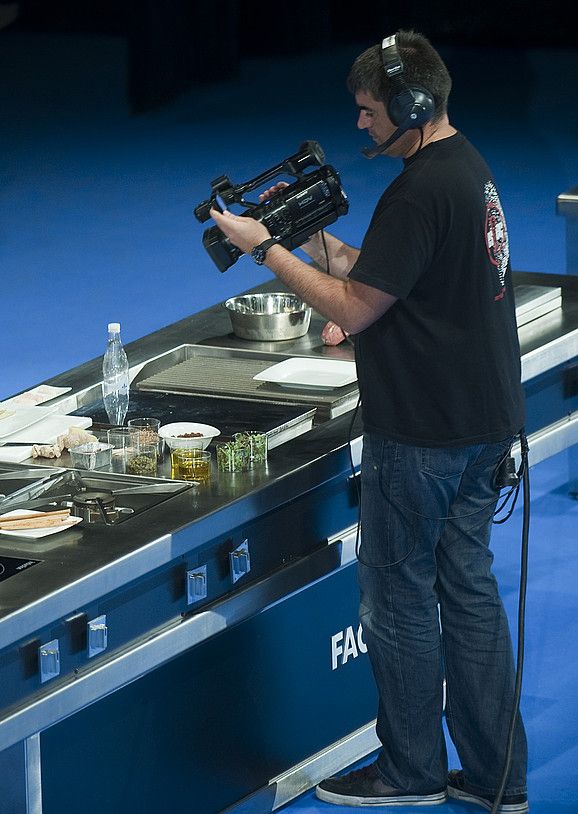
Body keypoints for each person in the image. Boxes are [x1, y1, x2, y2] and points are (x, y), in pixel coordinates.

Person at [209, 31, 528, 812]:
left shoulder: (420, 190)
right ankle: (497, 780)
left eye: (366, 111)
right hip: (482, 425)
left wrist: (266, 254)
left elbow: (354, 307)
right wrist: (304, 234)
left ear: (409, 107)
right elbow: (380, 269)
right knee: (471, 596)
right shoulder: (464, 171)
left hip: (423, 435)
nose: (359, 126)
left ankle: (411, 770)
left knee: (401, 601)